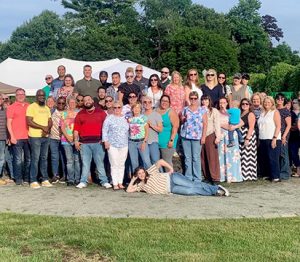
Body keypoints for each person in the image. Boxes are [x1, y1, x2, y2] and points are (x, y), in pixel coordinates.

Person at [126, 159, 229, 196]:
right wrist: (133, 179)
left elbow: (160, 161)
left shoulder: (149, 172)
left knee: (192, 184)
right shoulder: (140, 185)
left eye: (142, 172)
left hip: (171, 178)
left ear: (144, 171)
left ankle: (216, 188)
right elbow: (128, 190)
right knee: (191, 191)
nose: (141, 174)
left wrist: (170, 168)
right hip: (171, 189)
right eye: (139, 174)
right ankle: (215, 192)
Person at [74, 95, 111, 189]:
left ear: (92, 101)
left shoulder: (101, 112)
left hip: (98, 143)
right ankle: (83, 181)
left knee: (100, 163)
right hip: (84, 144)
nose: (87, 101)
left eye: (89, 100)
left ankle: (104, 181)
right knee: (85, 164)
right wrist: (76, 141)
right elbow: (76, 129)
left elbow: (106, 128)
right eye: (85, 100)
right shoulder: (80, 114)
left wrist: (105, 140)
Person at [26, 90, 53, 189]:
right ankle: (33, 180)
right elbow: (29, 121)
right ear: (36, 96)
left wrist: (47, 129)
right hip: (35, 136)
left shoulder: (46, 108)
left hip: (45, 136)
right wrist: (42, 127)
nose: (42, 97)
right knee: (35, 158)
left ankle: (45, 179)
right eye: (40, 95)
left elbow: (50, 121)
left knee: (44, 158)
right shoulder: (31, 107)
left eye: (43, 95)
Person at [180, 91, 207, 181]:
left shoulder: (202, 110)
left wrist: (203, 137)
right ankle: (188, 177)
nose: (193, 100)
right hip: (186, 136)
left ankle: (197, 178)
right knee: (187, 158)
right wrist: (183, 119)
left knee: (196, 158)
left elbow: (205, 124)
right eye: (191, 98)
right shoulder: (185, 109)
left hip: (197, 137)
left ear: (197, 99)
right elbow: (182, 121)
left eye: (195, 98)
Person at [103, 101, 129, 190]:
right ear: (112, 109)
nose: (117, 109)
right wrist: (105, 141)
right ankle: (114, 183)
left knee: (121, 164)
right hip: (112, 144)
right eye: (115, 107)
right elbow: (104, 130)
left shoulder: (125, 118)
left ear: (121, 108)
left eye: (119, 107)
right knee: (114, 163)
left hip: (124, 144)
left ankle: (120, 182)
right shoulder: (109, 118)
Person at [6, 89, 31, 185]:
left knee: (28, 159)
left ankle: (26, 178)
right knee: (18, 159)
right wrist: (12, 136)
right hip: (17, 137)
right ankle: (18, 179)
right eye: (18, 94)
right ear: (15, 96)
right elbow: (9, 123)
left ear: (25, 95)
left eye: (22, 94)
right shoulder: (11, 107)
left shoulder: (29, 106)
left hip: (29, 137)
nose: (21, 96)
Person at [218, 97, 243, 183]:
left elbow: (241, 122)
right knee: (221, 156)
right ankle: (222, 176)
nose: (222, 104)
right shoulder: (217, 113)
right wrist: (226, 126)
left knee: (232, 156)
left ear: (226, 103)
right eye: (220, 103)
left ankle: (234, 176)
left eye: (224, 102)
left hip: (231, 135)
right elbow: (217, 123)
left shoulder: (231, 111)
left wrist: (234, 127)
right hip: (221, 135)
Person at [258, 96, 281, 182]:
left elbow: (278, 126)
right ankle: (268, 174)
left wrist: (274, 138)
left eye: (269, 102)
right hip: (263, 138)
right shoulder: (262, 112)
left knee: (273, 158)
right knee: (265, 157)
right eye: (265, 102)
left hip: (272, 138)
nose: (266, 104)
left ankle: (276, 176)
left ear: (272, 103)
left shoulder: (275, 112)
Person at [60, 96, 80, 186]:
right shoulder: (64, 114)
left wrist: (75, 138)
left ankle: (77, 178)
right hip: (66, 140)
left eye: (74, 102)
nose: (72, 104)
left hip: (77, 140)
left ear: (76, 103)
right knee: (69, 160)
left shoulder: (79, 113)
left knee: (77, 160)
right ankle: (70, 179)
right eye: (70, 102)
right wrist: (68, 136)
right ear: (68, 103)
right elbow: (62, 127)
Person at [200, 95, 221, 183]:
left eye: (206, 100)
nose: (205, 102)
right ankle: (206, 176)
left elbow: (217, 123)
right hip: (200, 135)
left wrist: (218, 136)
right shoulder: (199, 110)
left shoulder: (214, 111)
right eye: (203, 100)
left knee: (212, 157)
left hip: (210, 134)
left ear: (209, 101)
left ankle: (215, 177)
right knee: (203, 157)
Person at [128, 103, 152, 172]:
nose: (136, 109)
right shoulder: (130, 119)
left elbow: (147, 131)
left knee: (146, 161)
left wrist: (144, 142)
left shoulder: (143, 118)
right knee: (134, 163)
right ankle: (136, 180)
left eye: (138, 108)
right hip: (132, 143)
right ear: (132, 109)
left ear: (140, 109)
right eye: (135, 108)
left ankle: (152, 177)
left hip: (141, 141)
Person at [157, 95, 179, 168]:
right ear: (160, 101)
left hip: (167, 142)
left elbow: (175, 127)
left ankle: (169, 179)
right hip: (156, 142)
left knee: (166, 163)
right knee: (157, 163)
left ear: (169, 103)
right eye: (163, 101)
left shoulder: (171, 112)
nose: (164, 103)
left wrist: (171, 140)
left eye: (166, 101)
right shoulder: (155, 111)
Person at [49, 97, 66, 183]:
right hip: (53, 138)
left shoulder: (67, 113)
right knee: (54, 157)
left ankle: (64, 175)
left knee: (63, 157)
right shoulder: (52, 112)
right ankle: (55, 175)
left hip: (64, 138)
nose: (61, 105)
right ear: (56, 103)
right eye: (59, 103)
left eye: (63, 103)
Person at [239, 98, 257, 181]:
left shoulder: (251, 114)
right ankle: (242, 174)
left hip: (248, 135)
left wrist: (247, 138)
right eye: (243, 104)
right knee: (242, 155)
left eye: (247, 104)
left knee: (248, 155)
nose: (245, 105)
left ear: (250, 105)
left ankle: (249, 175)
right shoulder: (240, 113)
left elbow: (251, 127)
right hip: (241, 134)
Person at [275, 93, 291, 180]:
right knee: (278, 155)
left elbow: (288, 125)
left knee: (284, 154)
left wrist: (284, 136)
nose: (280, 100)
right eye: (278, 99)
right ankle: (279, 172)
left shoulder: (286, 111)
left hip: (283, 135)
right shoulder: (274, 110)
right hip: (275, 135)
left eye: (281, 99)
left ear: (284, 100)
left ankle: (285, 173)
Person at [143, 96, 163, 165]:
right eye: (145, 102)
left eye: (149, 102)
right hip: (143, 142)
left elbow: (160, 129)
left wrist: (151, 125)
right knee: (145, 162)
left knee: (155, 161)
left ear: (152, 103)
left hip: (153, 141)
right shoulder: (141, 115)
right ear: (142, 103)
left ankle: (159, 175)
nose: (147, 104)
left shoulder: (156, 114)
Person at [289, 99, 300, 177]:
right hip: (293, 136)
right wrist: (293, 127)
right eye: (293, 103)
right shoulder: (290, 113)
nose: (294, 104)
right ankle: (298, 170)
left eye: (296, 102)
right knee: (293, 153)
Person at [0, 94, 8, 185]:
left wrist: (8, 136)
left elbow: (7, 125)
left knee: (2, 158)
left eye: (2, 99)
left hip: (2, 138)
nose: (1, 100)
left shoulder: (5, 111)